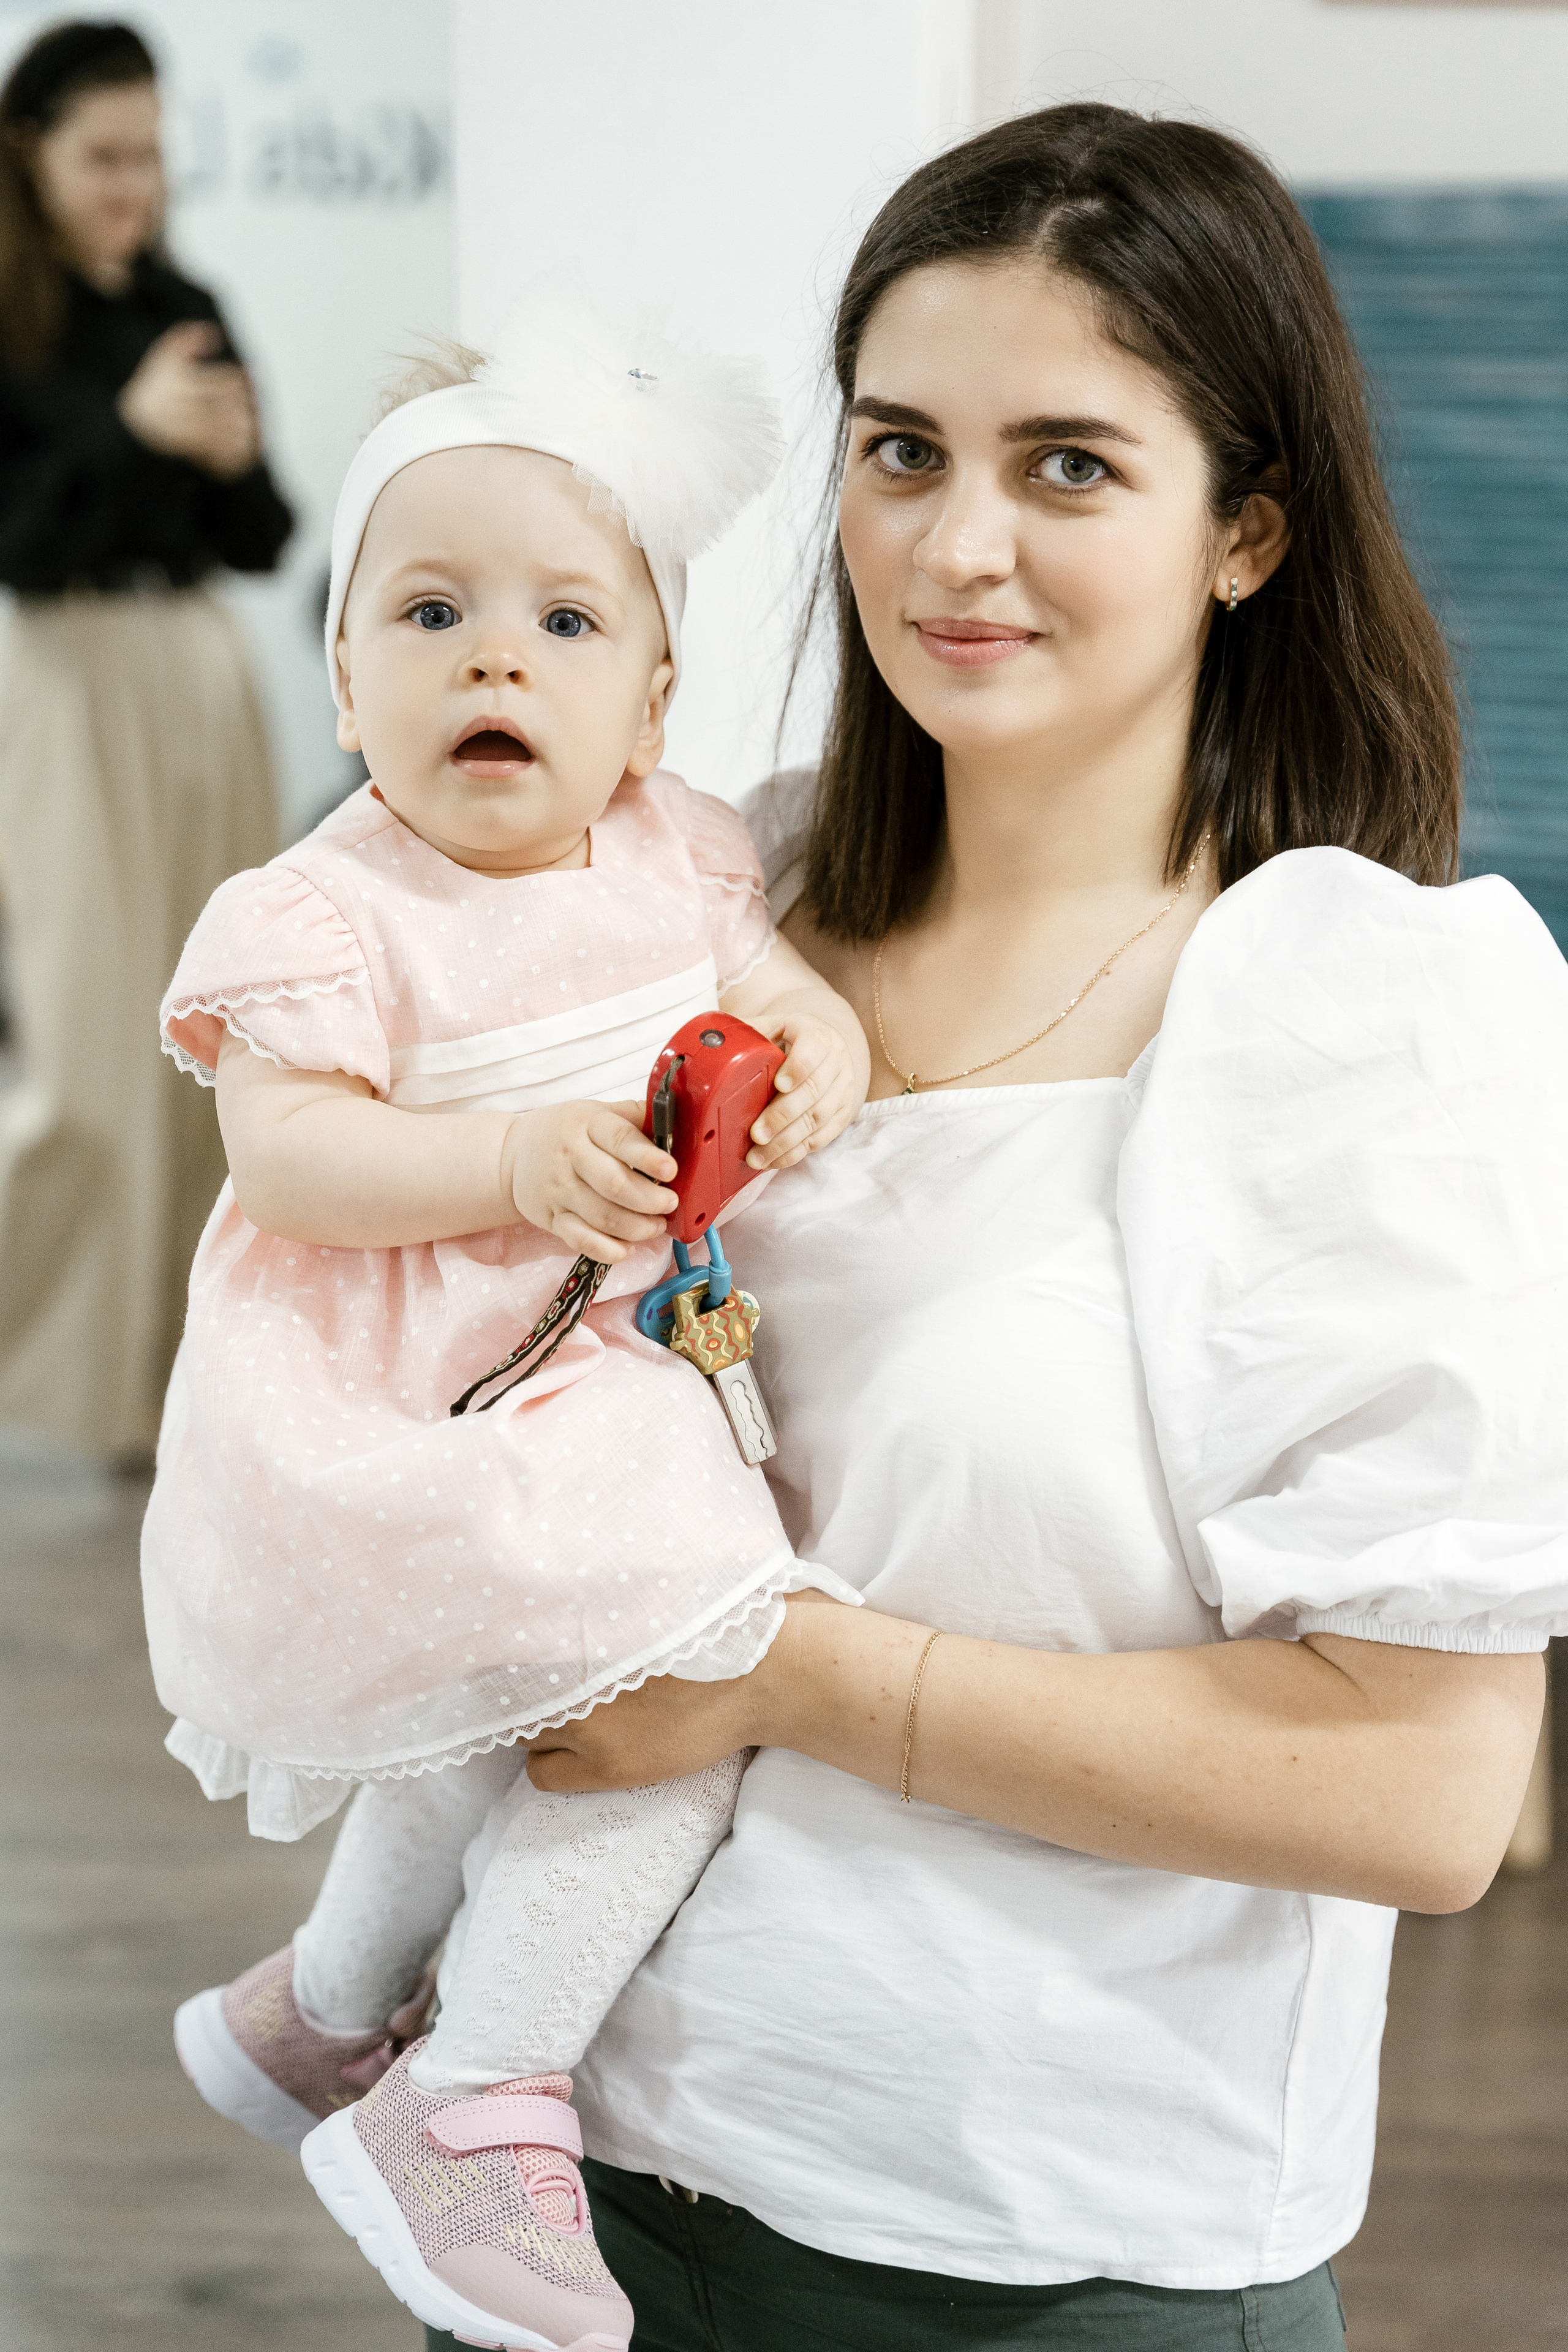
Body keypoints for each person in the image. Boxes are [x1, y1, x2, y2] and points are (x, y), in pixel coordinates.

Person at [401, 105, 1567, 2352]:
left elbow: (1425, 1788)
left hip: (1022, 2261)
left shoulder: (1348, 1007)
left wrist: (784, 1672)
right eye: (901, 448)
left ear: (1250, 535)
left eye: (1070, 467)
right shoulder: (700, 891)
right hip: (553, 2198)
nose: (956, 546)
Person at [144, 295, 867, 2351]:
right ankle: (480, 2088)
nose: (493, 657)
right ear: (350, 677)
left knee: (490, 1717)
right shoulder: (321, 911)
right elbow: (282, 1159)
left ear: (647, 705)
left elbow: (796, 990)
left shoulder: (688, 855)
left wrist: (815, 1051)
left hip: (598, 1370)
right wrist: (510, 1166)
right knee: (701, 1656)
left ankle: (325, 2011)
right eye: (431, 611)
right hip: (399, 1391)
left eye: (565, 626)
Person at [0, 21, 291, 1460]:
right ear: (30, 155)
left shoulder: (187, 299)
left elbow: (267, 536)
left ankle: (193, 1385)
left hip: (196, 667)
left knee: (225, 1030)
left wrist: (231, 462)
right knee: (85, 1045)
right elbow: (21, 537)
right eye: (102, 157)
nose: (134, 186)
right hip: (60, 669)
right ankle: (62, 1384)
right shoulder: (13, 317)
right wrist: (125, 429)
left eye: (149, 155)